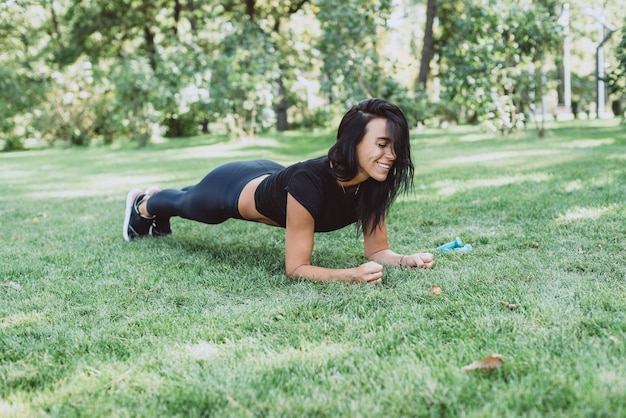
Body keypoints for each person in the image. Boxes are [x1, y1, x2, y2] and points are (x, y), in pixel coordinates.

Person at [123, 98, 435, 283]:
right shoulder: (309, 183)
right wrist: (349, 275)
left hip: (270, 173)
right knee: (188, 204)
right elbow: (296, 268)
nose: (391, 156)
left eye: (395, 147)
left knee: (188, 197)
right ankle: (144, 205)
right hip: (231, 188)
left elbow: (377, 251)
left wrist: (404, 259)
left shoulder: (373, 184)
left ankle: (156, 205)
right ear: (352, 143)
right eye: (382, 145)